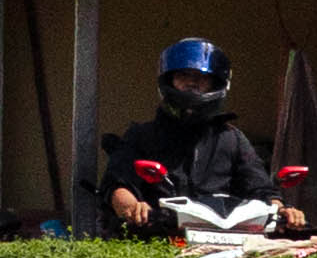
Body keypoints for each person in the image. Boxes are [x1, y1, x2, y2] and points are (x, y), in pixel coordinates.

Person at [95, 38, 276, 235]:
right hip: (158, 239)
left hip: (223, 241)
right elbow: (116, 185)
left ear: (216, 84)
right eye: (184, 76)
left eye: (201, 77)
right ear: (169, 80)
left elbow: (263, 190)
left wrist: (283, 210)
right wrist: (133, 208)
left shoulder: (232, 139)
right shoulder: (141, 135)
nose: (191, 82)